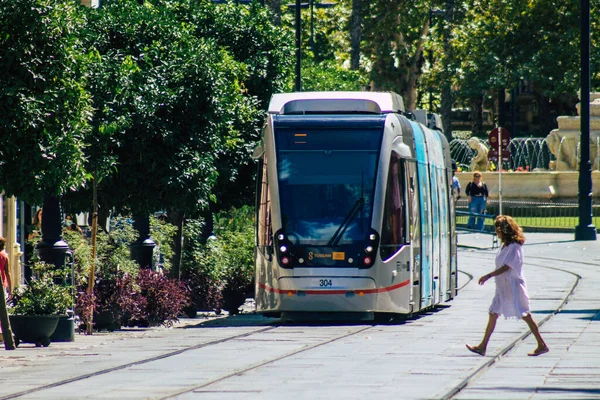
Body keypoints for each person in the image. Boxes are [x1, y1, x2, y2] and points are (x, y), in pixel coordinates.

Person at [466, 215, 549, 357]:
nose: (496, 233)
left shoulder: (515, 247)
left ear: (504, 230)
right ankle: (482, 346)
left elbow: (507, 267)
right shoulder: (504, 246)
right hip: (503, 287)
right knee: (493, 313)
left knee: (524, 314)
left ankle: (541, 344)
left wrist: (488, 275)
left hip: (513, 286)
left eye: (498, 230)